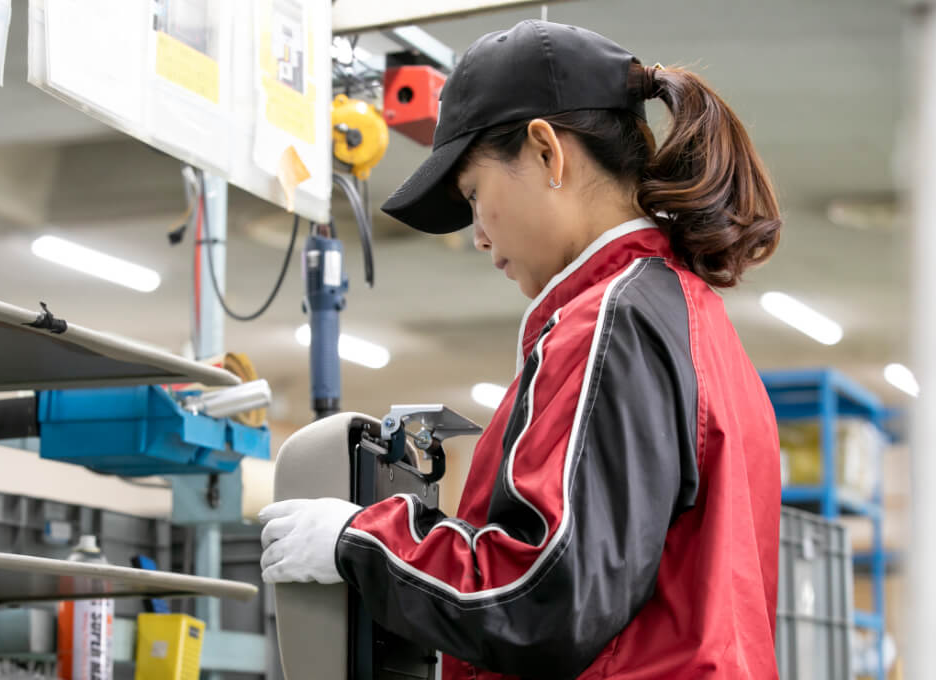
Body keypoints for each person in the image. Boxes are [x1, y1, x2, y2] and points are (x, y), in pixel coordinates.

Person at [259, 19, 782, 680]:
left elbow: (545, 597)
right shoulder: (689, 317)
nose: (478, 235)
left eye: (474, 194)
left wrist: (362, 542)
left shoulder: (608, 324)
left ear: (545, 151)